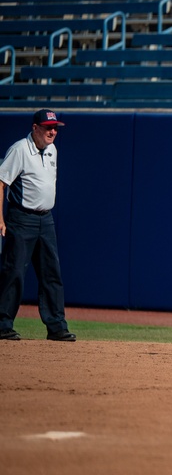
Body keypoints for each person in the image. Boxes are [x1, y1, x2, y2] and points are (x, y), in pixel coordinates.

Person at [0, 109, 75, 342]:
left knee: (52, 273)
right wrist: (0, 219)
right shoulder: (19, 149)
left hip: (46, 219)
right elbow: (1, 183)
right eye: (47, 127)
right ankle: (2, 325)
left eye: (55, 127)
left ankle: (56, 327)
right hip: (21, 219)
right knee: (14, 272)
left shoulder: (52, 149)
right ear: (35, 128)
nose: (52, 131)